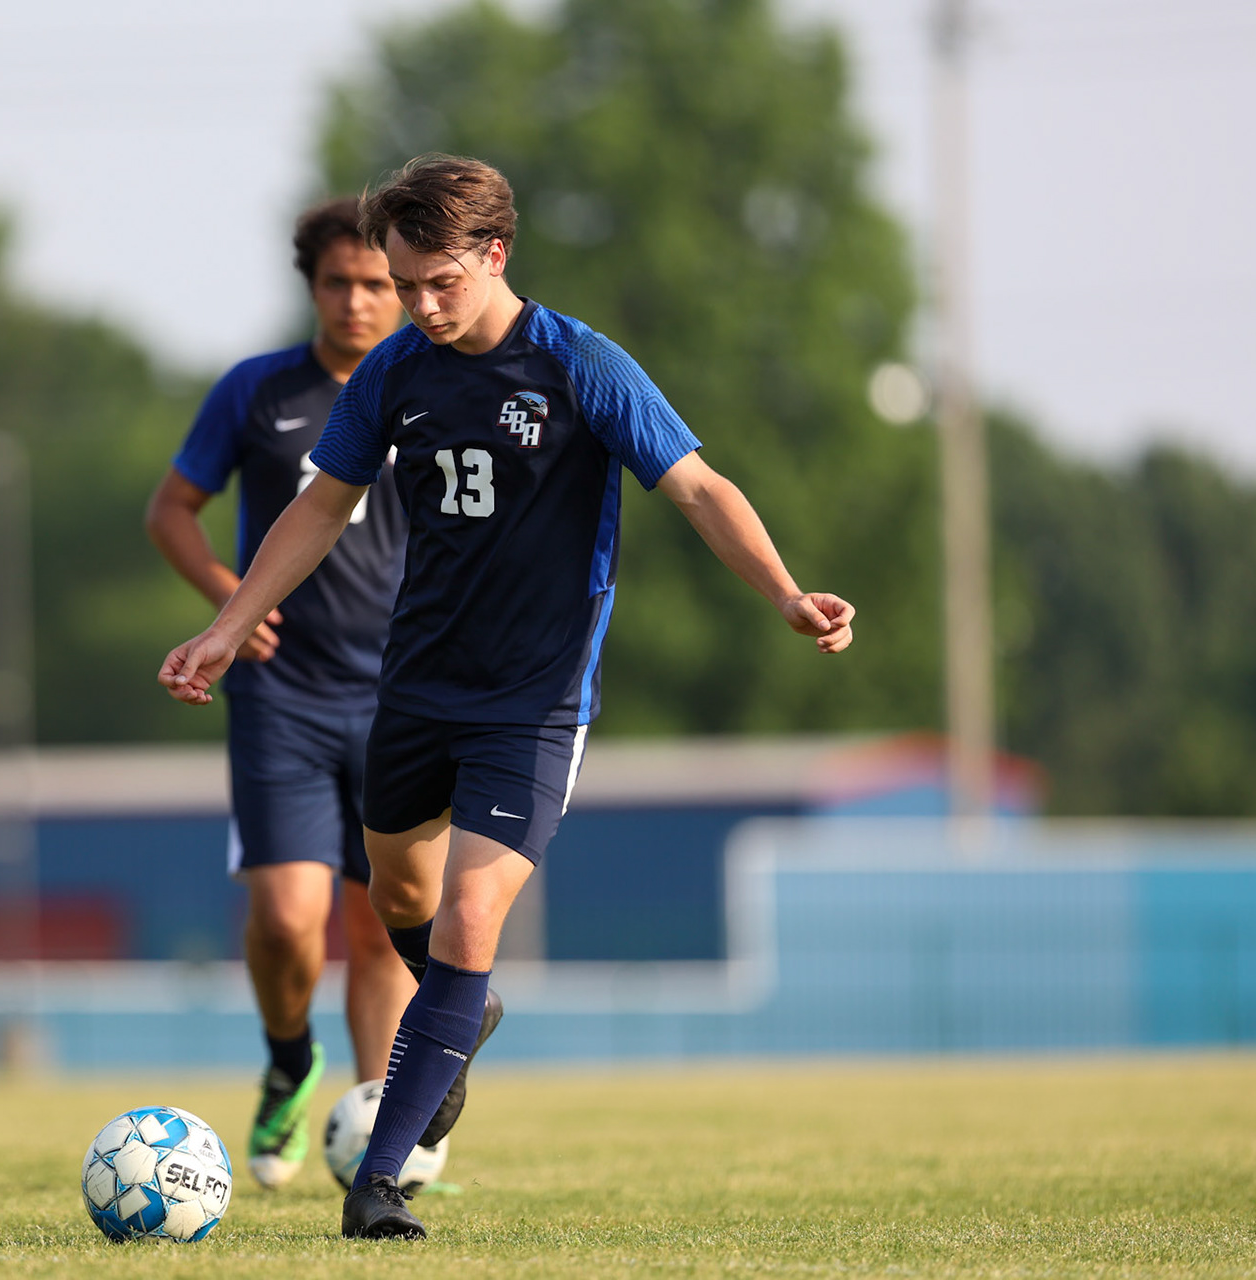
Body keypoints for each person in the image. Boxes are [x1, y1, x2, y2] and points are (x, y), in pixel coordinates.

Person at [159, 155, 856, 1238]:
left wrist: (783, 593)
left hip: (531, 704)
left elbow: (700, 486)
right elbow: (318, 509)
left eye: (437, 281)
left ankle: (379, 1179)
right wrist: (227, 623)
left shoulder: (582, 365)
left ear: (495, 255)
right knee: (402, 906)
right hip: (416, 688)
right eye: (403, 280)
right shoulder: (396, 374)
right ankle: (457, 1013)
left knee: (473, 913)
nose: (418, 304)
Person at [145, 197, 418, 1189]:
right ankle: (289, 1054)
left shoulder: (429, 391)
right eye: (340, 282)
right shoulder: (256, 392)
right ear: (313, 286)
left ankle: (382, 1144)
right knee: (289, 918)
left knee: (382, 926)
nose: (358, 301)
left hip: (403, 698)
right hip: (284, 697)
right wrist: (228, 598)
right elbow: (171, 509)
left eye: (377, 284)